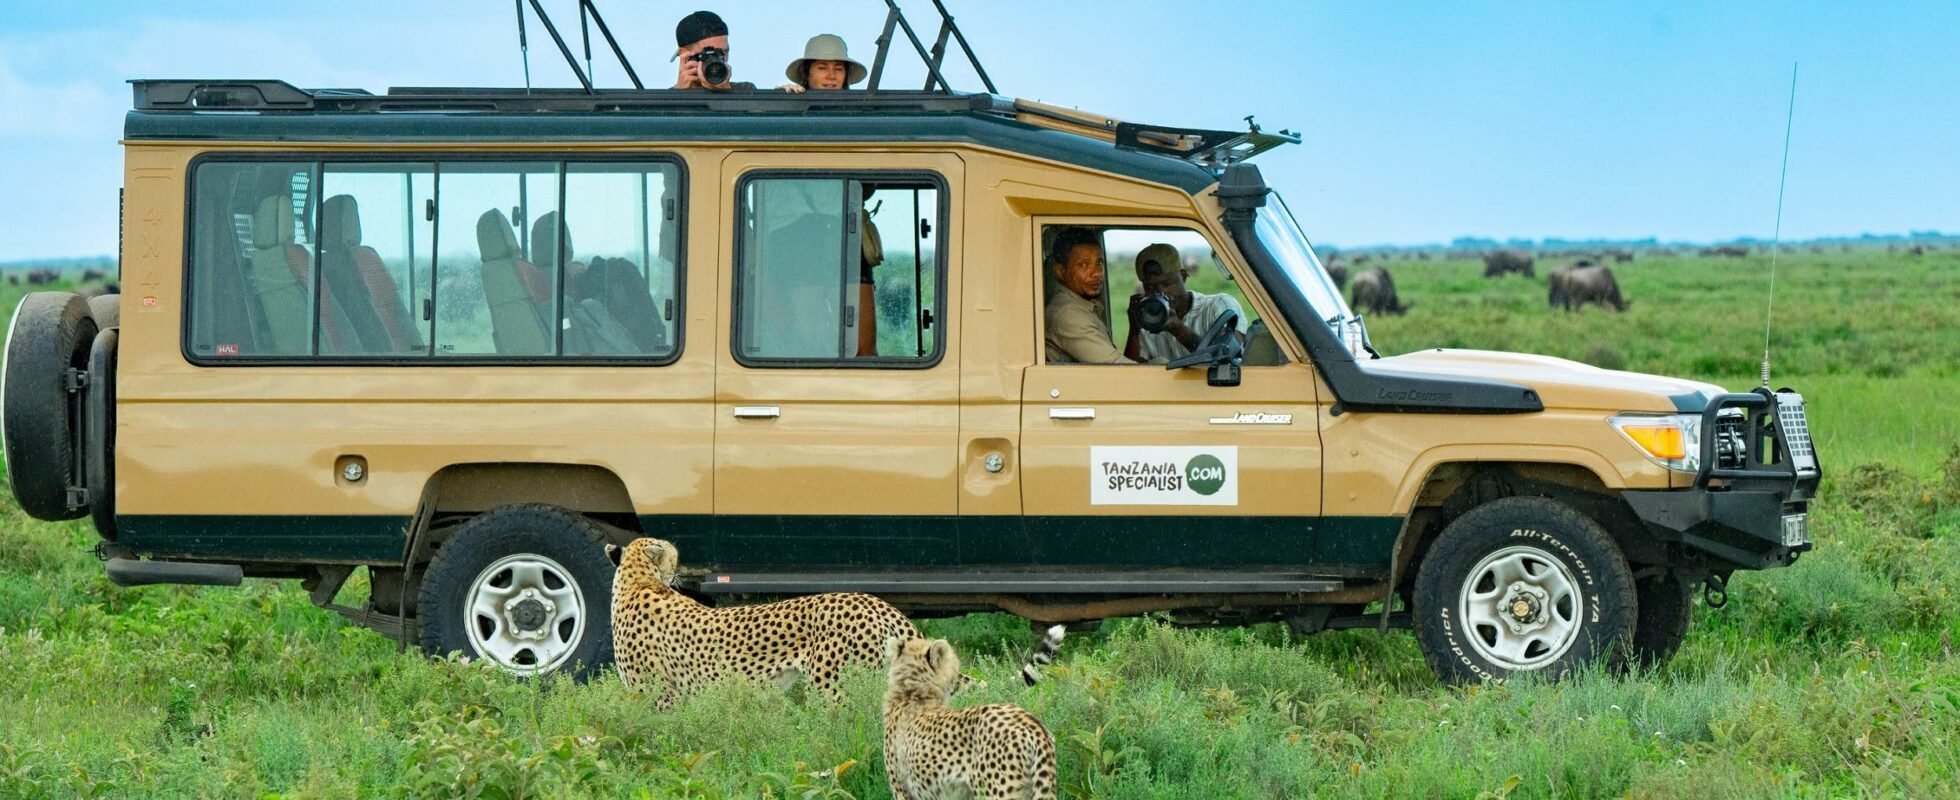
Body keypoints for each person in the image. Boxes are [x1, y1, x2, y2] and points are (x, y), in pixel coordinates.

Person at [1124, 243, 1245, 364]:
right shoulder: (1148, 321)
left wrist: (1177, 329)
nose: (1160, 293)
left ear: (1183, 276)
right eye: (1150, 287)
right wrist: (1134, 329)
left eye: (1167, 284)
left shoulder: (1218, 306)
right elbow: (1129, 376)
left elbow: (1228, 357)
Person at [1044, 228, 1137, 364]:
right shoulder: (1067, 314)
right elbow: (1118, 368)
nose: (1097, 273)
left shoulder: (1082, 306)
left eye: (1099, 263)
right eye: (1083, 265)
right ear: (1060, 271)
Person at [671, 11, 755, 90]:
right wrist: (680, 96)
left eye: (723, 52)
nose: (716, 60)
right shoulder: (664, 101)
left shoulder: (745, 91)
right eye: (708, 55)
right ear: (685, 56)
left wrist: (725, 92)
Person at [780, 34, 868, 93]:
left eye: (838, 69)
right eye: (822, 68)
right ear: (806, 72)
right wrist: (784, 98)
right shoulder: (796, 108)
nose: (832, 76)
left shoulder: (859, 112)